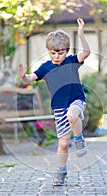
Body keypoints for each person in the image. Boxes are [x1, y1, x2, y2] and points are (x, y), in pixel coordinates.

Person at [18, 18, 90, 186]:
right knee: (63, 144)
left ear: (67, 51)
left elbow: (86, 52)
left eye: (61, 53)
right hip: (59, 107)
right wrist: (23, 75)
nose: (57, 56)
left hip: (77, 100)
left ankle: (79, 139)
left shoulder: (72, 61)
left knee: (72, 115)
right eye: (53, 53)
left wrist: (80, 33)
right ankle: (61, 171)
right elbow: (29, 79)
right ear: (49, 51)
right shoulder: (45, 67)